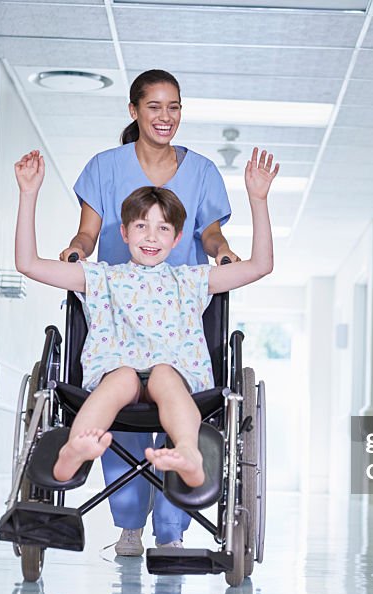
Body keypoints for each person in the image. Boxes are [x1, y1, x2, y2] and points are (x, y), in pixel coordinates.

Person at [14, 147, 278, 509]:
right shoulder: (101, 277)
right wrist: (28, 194)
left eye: (162, 228)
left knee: (164, 376)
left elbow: (260, 266)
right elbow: (28, 264)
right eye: (141, 226)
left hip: (173, 377)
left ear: (178, 237)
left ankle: (189, 454)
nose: (151, 237)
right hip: (116, 372)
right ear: (123, 232)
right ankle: (73, 451)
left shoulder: (191, 280)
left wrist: (258, 200)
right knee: (121, 378)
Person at [59, 69, 240, 556]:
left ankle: (173, 532)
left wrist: (223, 254)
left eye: (174, 107)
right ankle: (129, 526)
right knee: (121, 416)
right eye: (155, 107)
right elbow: (86, 235)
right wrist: (75, 252)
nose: (166, 117)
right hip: (117, 309)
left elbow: (212, 235)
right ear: (134, 110)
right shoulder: (105, 166)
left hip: (179, 310)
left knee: (173, 408)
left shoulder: (201, 171)